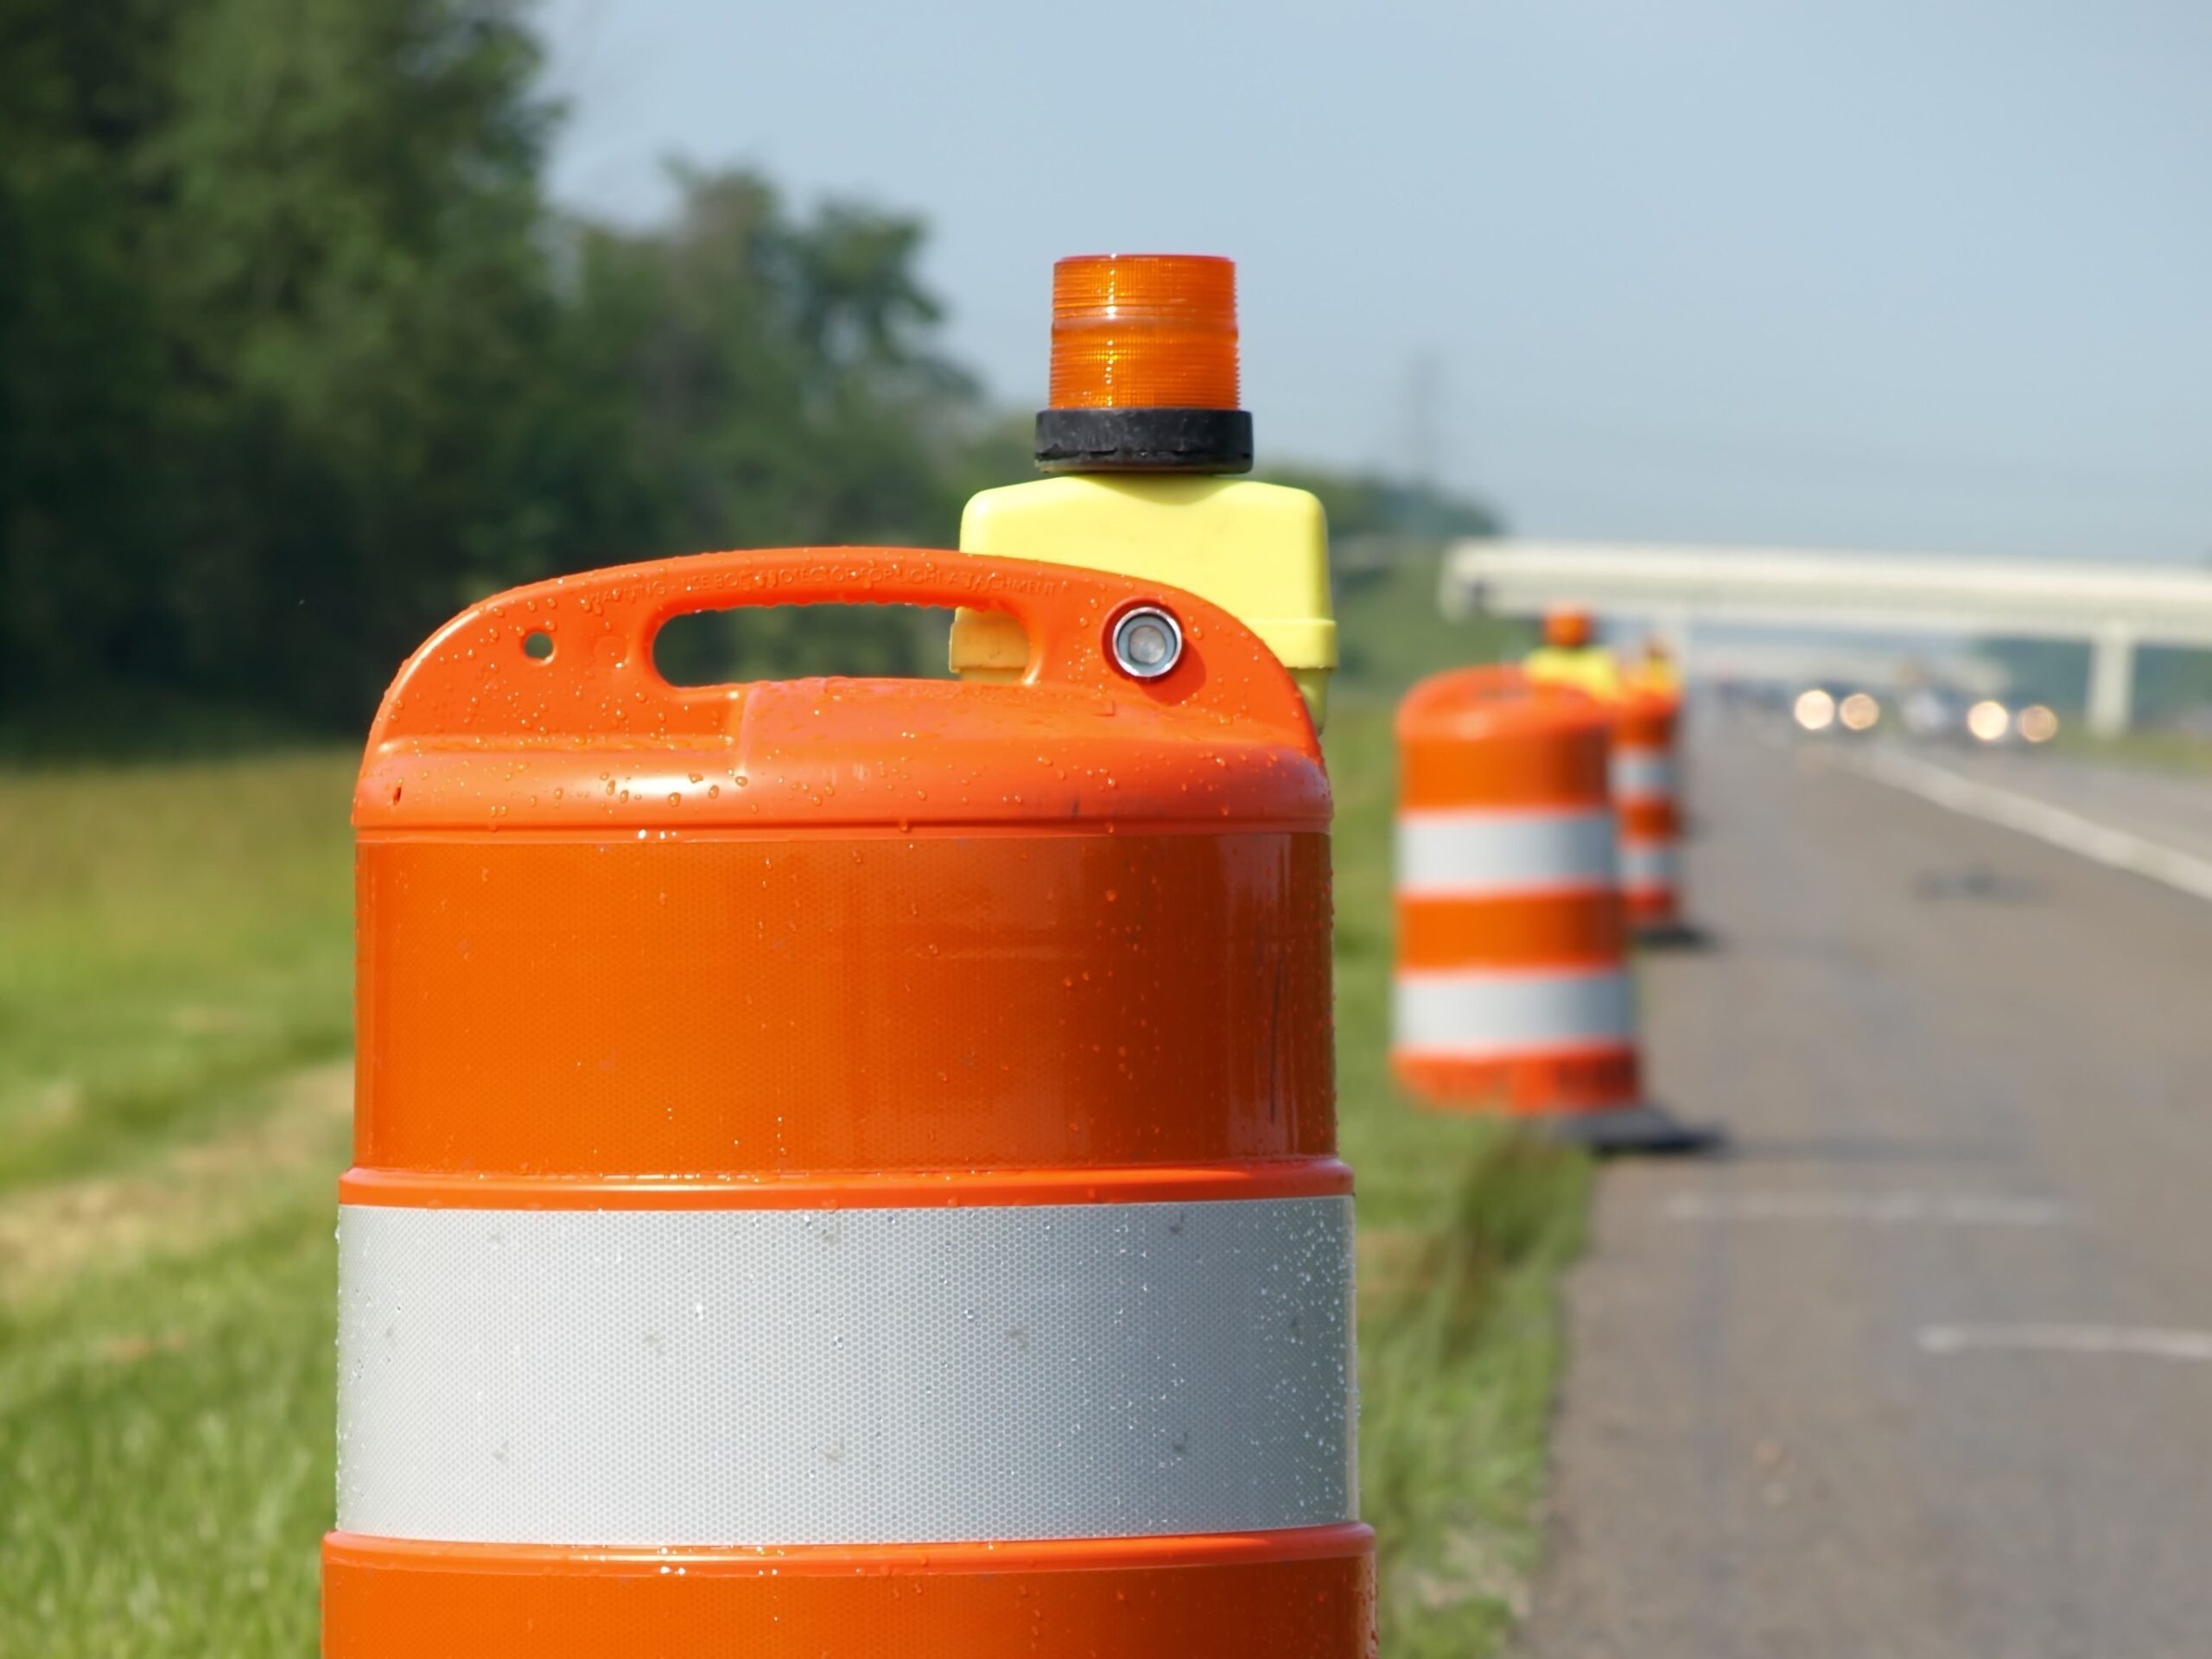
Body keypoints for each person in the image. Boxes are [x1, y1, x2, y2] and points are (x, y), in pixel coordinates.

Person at [1523, 607, 1622, 699]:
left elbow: (1612, 700)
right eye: (1560, 623)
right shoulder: (1540, 660)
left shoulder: (1601, 660)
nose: (1566, 628)